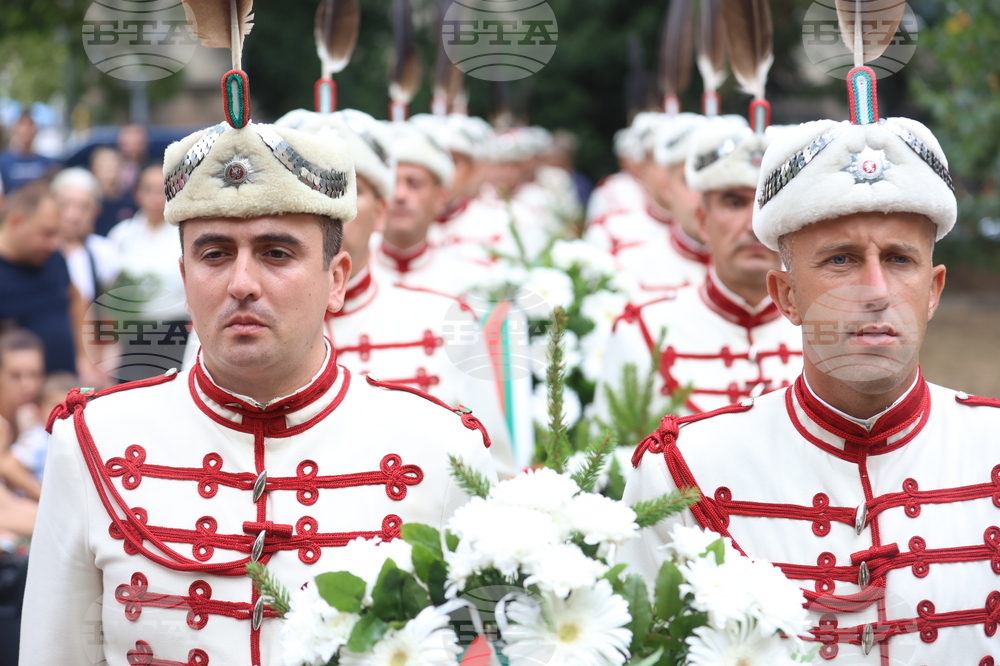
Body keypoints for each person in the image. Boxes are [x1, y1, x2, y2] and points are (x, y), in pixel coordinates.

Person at [21, 102, 497, 664]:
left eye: (276, 253)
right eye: (215, 253)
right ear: (184, 277)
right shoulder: (92, 442)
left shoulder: (442, 449)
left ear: (336, 279)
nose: (241, 283)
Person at [622, 103, 999, 661]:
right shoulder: (683, 475)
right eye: (841, 260)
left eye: (899, 259)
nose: (875, 290)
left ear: (934, 290)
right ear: (786, 296)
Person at [272, 109, 516, 478]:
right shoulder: (234, 320)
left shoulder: (447, 320)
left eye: (347, 190)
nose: (326, 210)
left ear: (382, 212)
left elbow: (492, 469)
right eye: (307, 192)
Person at [595, 116, 802, 417]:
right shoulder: (640, 330)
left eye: (767, 203)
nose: (753, 225)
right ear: (703, 221)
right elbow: (609, 456)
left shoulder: (831, 327)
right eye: (734, 203)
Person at [370, 122, 491, 298]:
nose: (400, 195)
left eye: (414, 183)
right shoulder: (350, 272)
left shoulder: (465, 281)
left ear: (440, 197)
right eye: (392, 183)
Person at [107, 163, 189, 382]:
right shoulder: (122, 234)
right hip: (134, 332)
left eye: (161, 189)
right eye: (148, 189)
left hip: (177, 331)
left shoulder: (184, 233)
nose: (155, 196)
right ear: (136, 193)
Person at [0, 180, 89, 377]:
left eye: (57, 234)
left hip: (68, 387)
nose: (54, 243)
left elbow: (75, 297)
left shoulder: (53, 258)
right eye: (46, 233)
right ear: (16, 221)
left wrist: (84, 356)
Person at [52, 167, 120, 305]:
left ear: (96, 212)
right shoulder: (39, 251)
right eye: (65, 204)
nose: (72, 215)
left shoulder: (105, 252)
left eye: (83, 207)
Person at [0, 114, 57, 194]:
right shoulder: (3, 162)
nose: (27, 129)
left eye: (30, 125)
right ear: (14, 129)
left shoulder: (47, 163)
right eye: (22, 124)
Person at [90, 146, 136, 237]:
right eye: (104, 165)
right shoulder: (89, 202)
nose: (110, 170)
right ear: (94, 169)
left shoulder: (132, 201)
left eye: (113, 165)